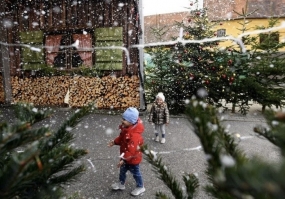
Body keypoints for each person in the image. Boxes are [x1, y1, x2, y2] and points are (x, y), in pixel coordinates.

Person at [108, 107, 145, 196]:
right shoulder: (126, 129)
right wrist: (115, 141)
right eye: (123, 118)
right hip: (125, 156)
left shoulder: (134, 135)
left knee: (136, 173)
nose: (122, 121)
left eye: (124, 119)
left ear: (131, 121)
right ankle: (121, 184)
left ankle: (141, 187)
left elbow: (131, 150)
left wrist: (124, 160)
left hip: (133, 159)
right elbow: (121, 138)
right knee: (122, 171)